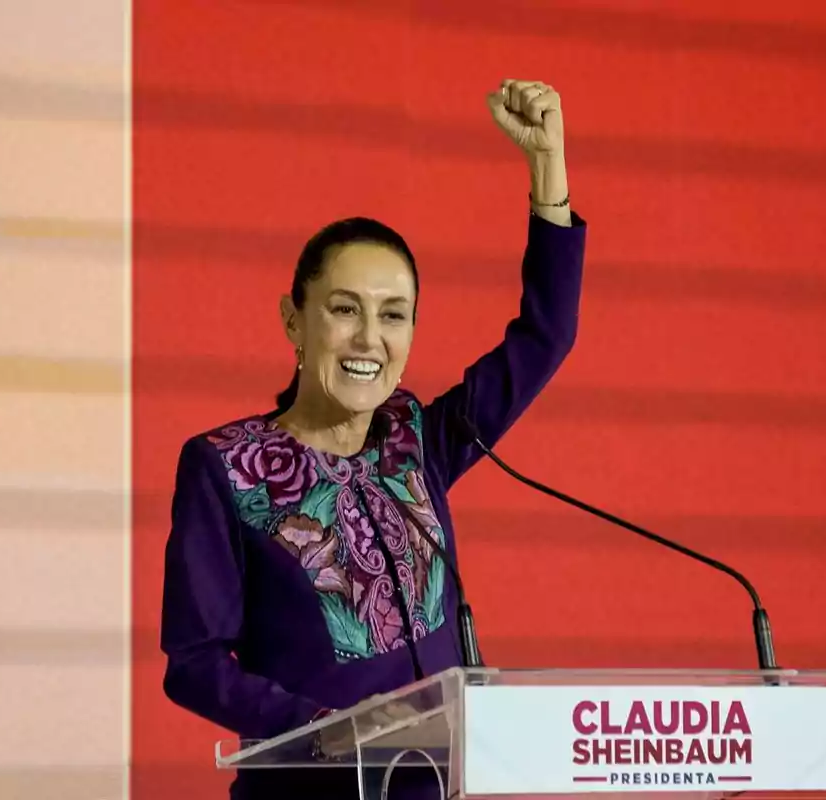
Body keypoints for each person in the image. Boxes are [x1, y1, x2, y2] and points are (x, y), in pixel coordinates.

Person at [160, 78, 587, 800]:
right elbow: (194, 661)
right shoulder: (224, 468)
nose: (369, 338)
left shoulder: (414, 443)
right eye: (344, 310)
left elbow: (545, 337)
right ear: (294, 321)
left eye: (394, 315)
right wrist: (330, 727)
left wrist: (549, 172)